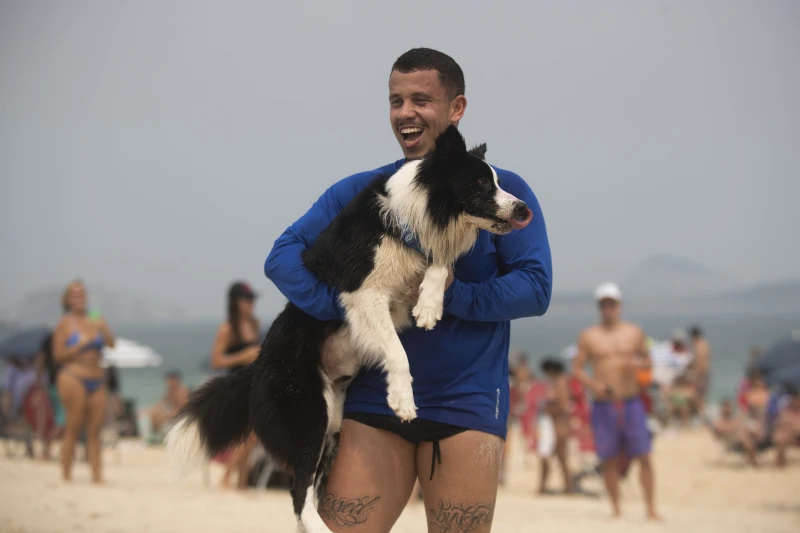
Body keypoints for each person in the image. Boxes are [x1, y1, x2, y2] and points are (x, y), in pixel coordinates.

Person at [264, 48, 551, 532]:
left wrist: (449, 294)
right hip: (375, 401)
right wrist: (341, 305)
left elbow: (535, 287)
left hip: (467, 404)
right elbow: (283, 256)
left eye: (421, 99)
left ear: (456, 109)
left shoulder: (500, 192)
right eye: (396, 101)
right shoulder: (360, 191)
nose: (405, 113)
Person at [572, 282, 660, 520]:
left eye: (612, 304)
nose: (608, 309)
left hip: (632, 401)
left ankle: (651, 509)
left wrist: (638, 365)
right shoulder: (589, 336)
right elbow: (578, 369)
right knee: (608, 457)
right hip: (603, 404)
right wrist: (594, 385)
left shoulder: (634, 332)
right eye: (604, 305)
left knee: (644, 455)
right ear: (599, 307)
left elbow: (648, 362)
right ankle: (616, 509)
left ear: (619, 306)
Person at [51, 279, 115, 483]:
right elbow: (57, 355)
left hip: (96, 377)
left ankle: (97, 476)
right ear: (68, 300)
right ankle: (66, 474)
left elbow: (112, 344)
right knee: (74, 426)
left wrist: (103, 329)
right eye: (75, 294)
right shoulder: (65, 323)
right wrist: (78, 347)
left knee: (95, 429)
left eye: (82, 293)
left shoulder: (96, 319)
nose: (79, 297)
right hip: (73, 375)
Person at [210, 281, 262, 489]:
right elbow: (215, 361)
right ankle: (228, 477)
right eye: (247, 300)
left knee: (250, 436)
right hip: (236, 387)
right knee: (251, 435)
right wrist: (242, 356)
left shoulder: (254, 324)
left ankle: (240, 482)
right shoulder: (227, 328)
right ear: (236, 302)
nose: (251, 304)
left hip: (254, 384)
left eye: (253, 299)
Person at [537, 358, 572, 494]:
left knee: (555, 457)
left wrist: (547, 409)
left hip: (558, 424)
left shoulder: (561, 382)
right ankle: (565, 487)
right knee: (556, 457)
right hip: (556, 424)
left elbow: (563, 405)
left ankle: (565, 487)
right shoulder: (560, 382)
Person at [145, 370, 188, 437]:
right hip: (173, 418)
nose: (168, 383)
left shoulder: (182, 393)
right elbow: (160, 403)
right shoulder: (170, 392)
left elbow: (183, 412)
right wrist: (148, 411)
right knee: (154, 415)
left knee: (158, 418)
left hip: (181, 420)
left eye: (170, 381)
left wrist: (165, 416)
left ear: (176, 381)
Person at [772, 386, 800, 468]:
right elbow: (780, 425)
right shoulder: (785, 412)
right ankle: (780, 460)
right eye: (794, 400)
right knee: (780, 437)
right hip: (790, 436)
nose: (796, 402)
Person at [689, 325, 711, 418]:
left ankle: (703, 418)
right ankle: (702, 417)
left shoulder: (698, 346)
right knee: (702, 397)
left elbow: (700, 363)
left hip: (701, 374)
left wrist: (697, 376)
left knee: (699, 398)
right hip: (705, 373)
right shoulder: (705, 344)